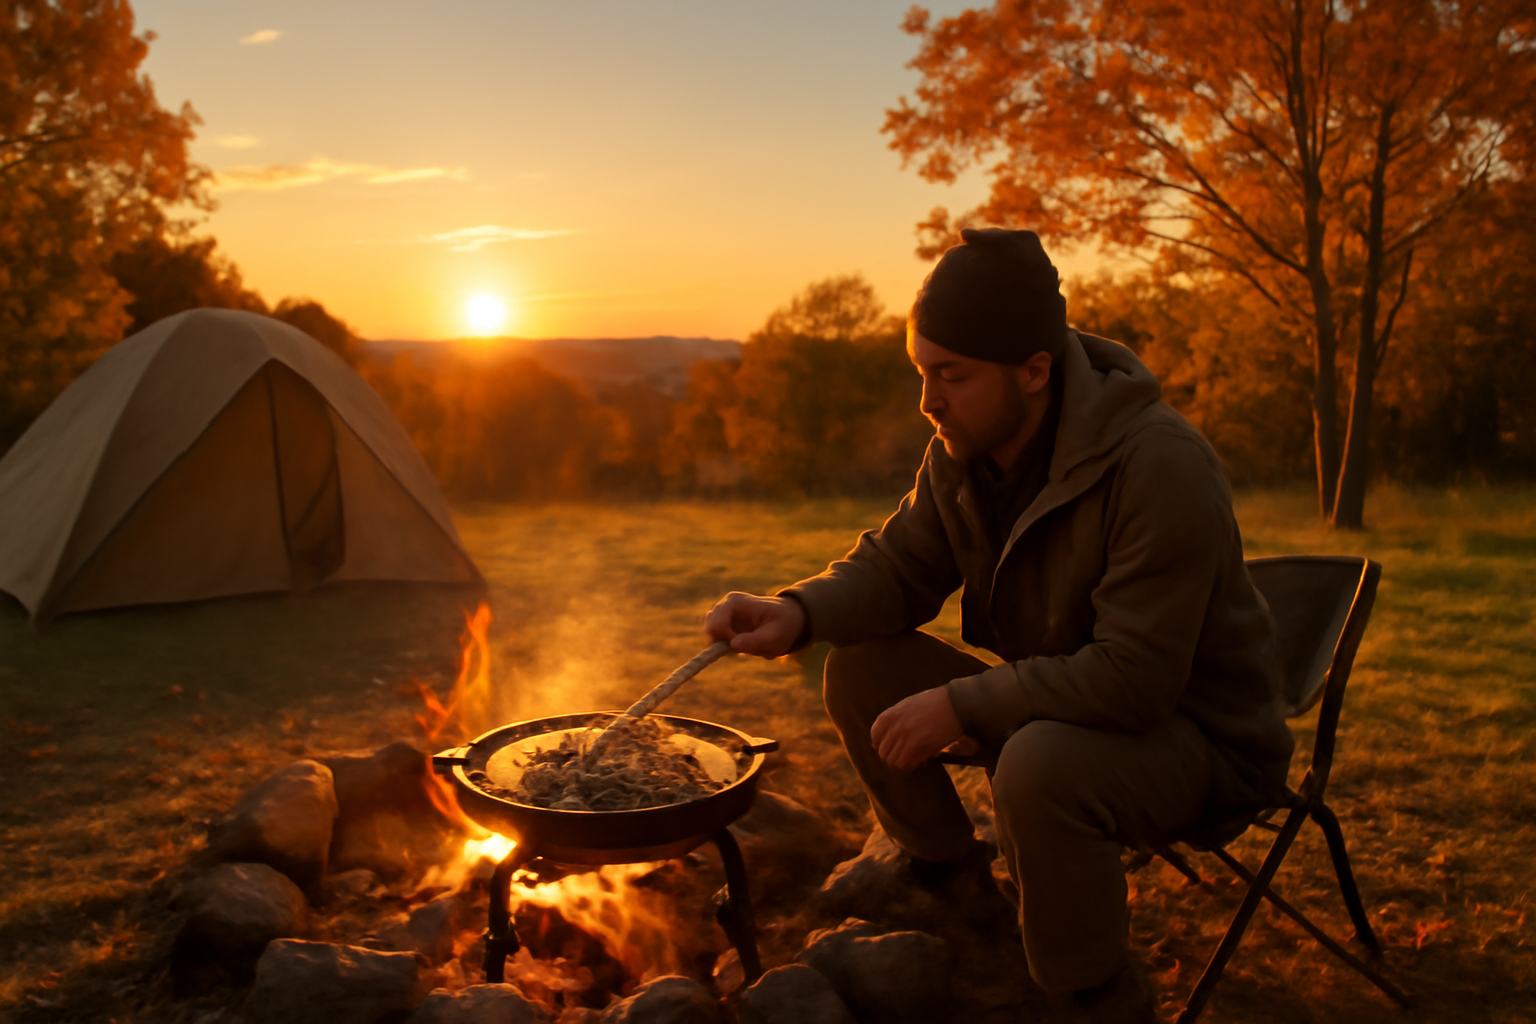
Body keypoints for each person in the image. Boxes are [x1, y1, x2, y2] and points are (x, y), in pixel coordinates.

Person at [704, 228, 1295, 1023]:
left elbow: (1136, 679)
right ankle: (954, 886)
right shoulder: (964, 449)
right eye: (921, 372)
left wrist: (962, 704)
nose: (928, 400)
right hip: (1062, 709)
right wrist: (797, 611)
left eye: (951, 375)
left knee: (1038, 763)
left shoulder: (1158, 463)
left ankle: (1093, 994)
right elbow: (901, 566)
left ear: (1034, 371)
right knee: (862, 669)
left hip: (1198, 741)